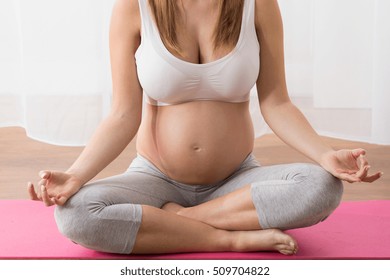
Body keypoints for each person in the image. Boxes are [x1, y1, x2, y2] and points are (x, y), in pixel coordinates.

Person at [27, 0, 382, 255]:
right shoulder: (133, 7)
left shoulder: (257, 4)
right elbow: (123, 114)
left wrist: (325, 154)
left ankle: (181, 220)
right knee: (75, 215)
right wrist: (75, 175)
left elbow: (276, 102)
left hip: (236, 180)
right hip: (155, 178)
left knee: (322, 187)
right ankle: (228, 237)